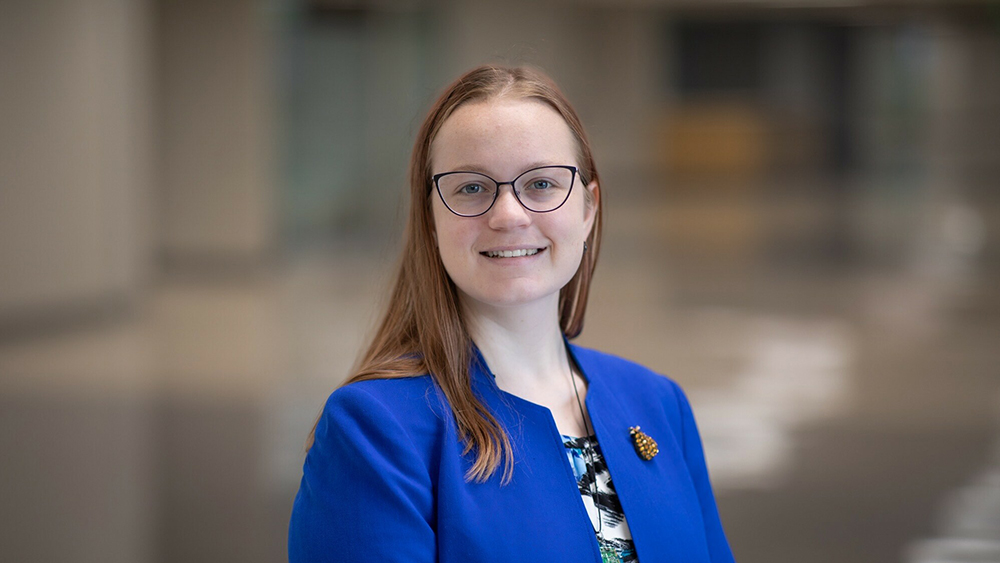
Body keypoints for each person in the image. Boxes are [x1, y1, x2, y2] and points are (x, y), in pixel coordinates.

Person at [288, 64, 736, 563]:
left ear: (588, 209)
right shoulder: (375, 430)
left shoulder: (658, 404)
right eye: (472, 188)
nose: (509, 215)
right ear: (430, 217)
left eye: (541, 184)